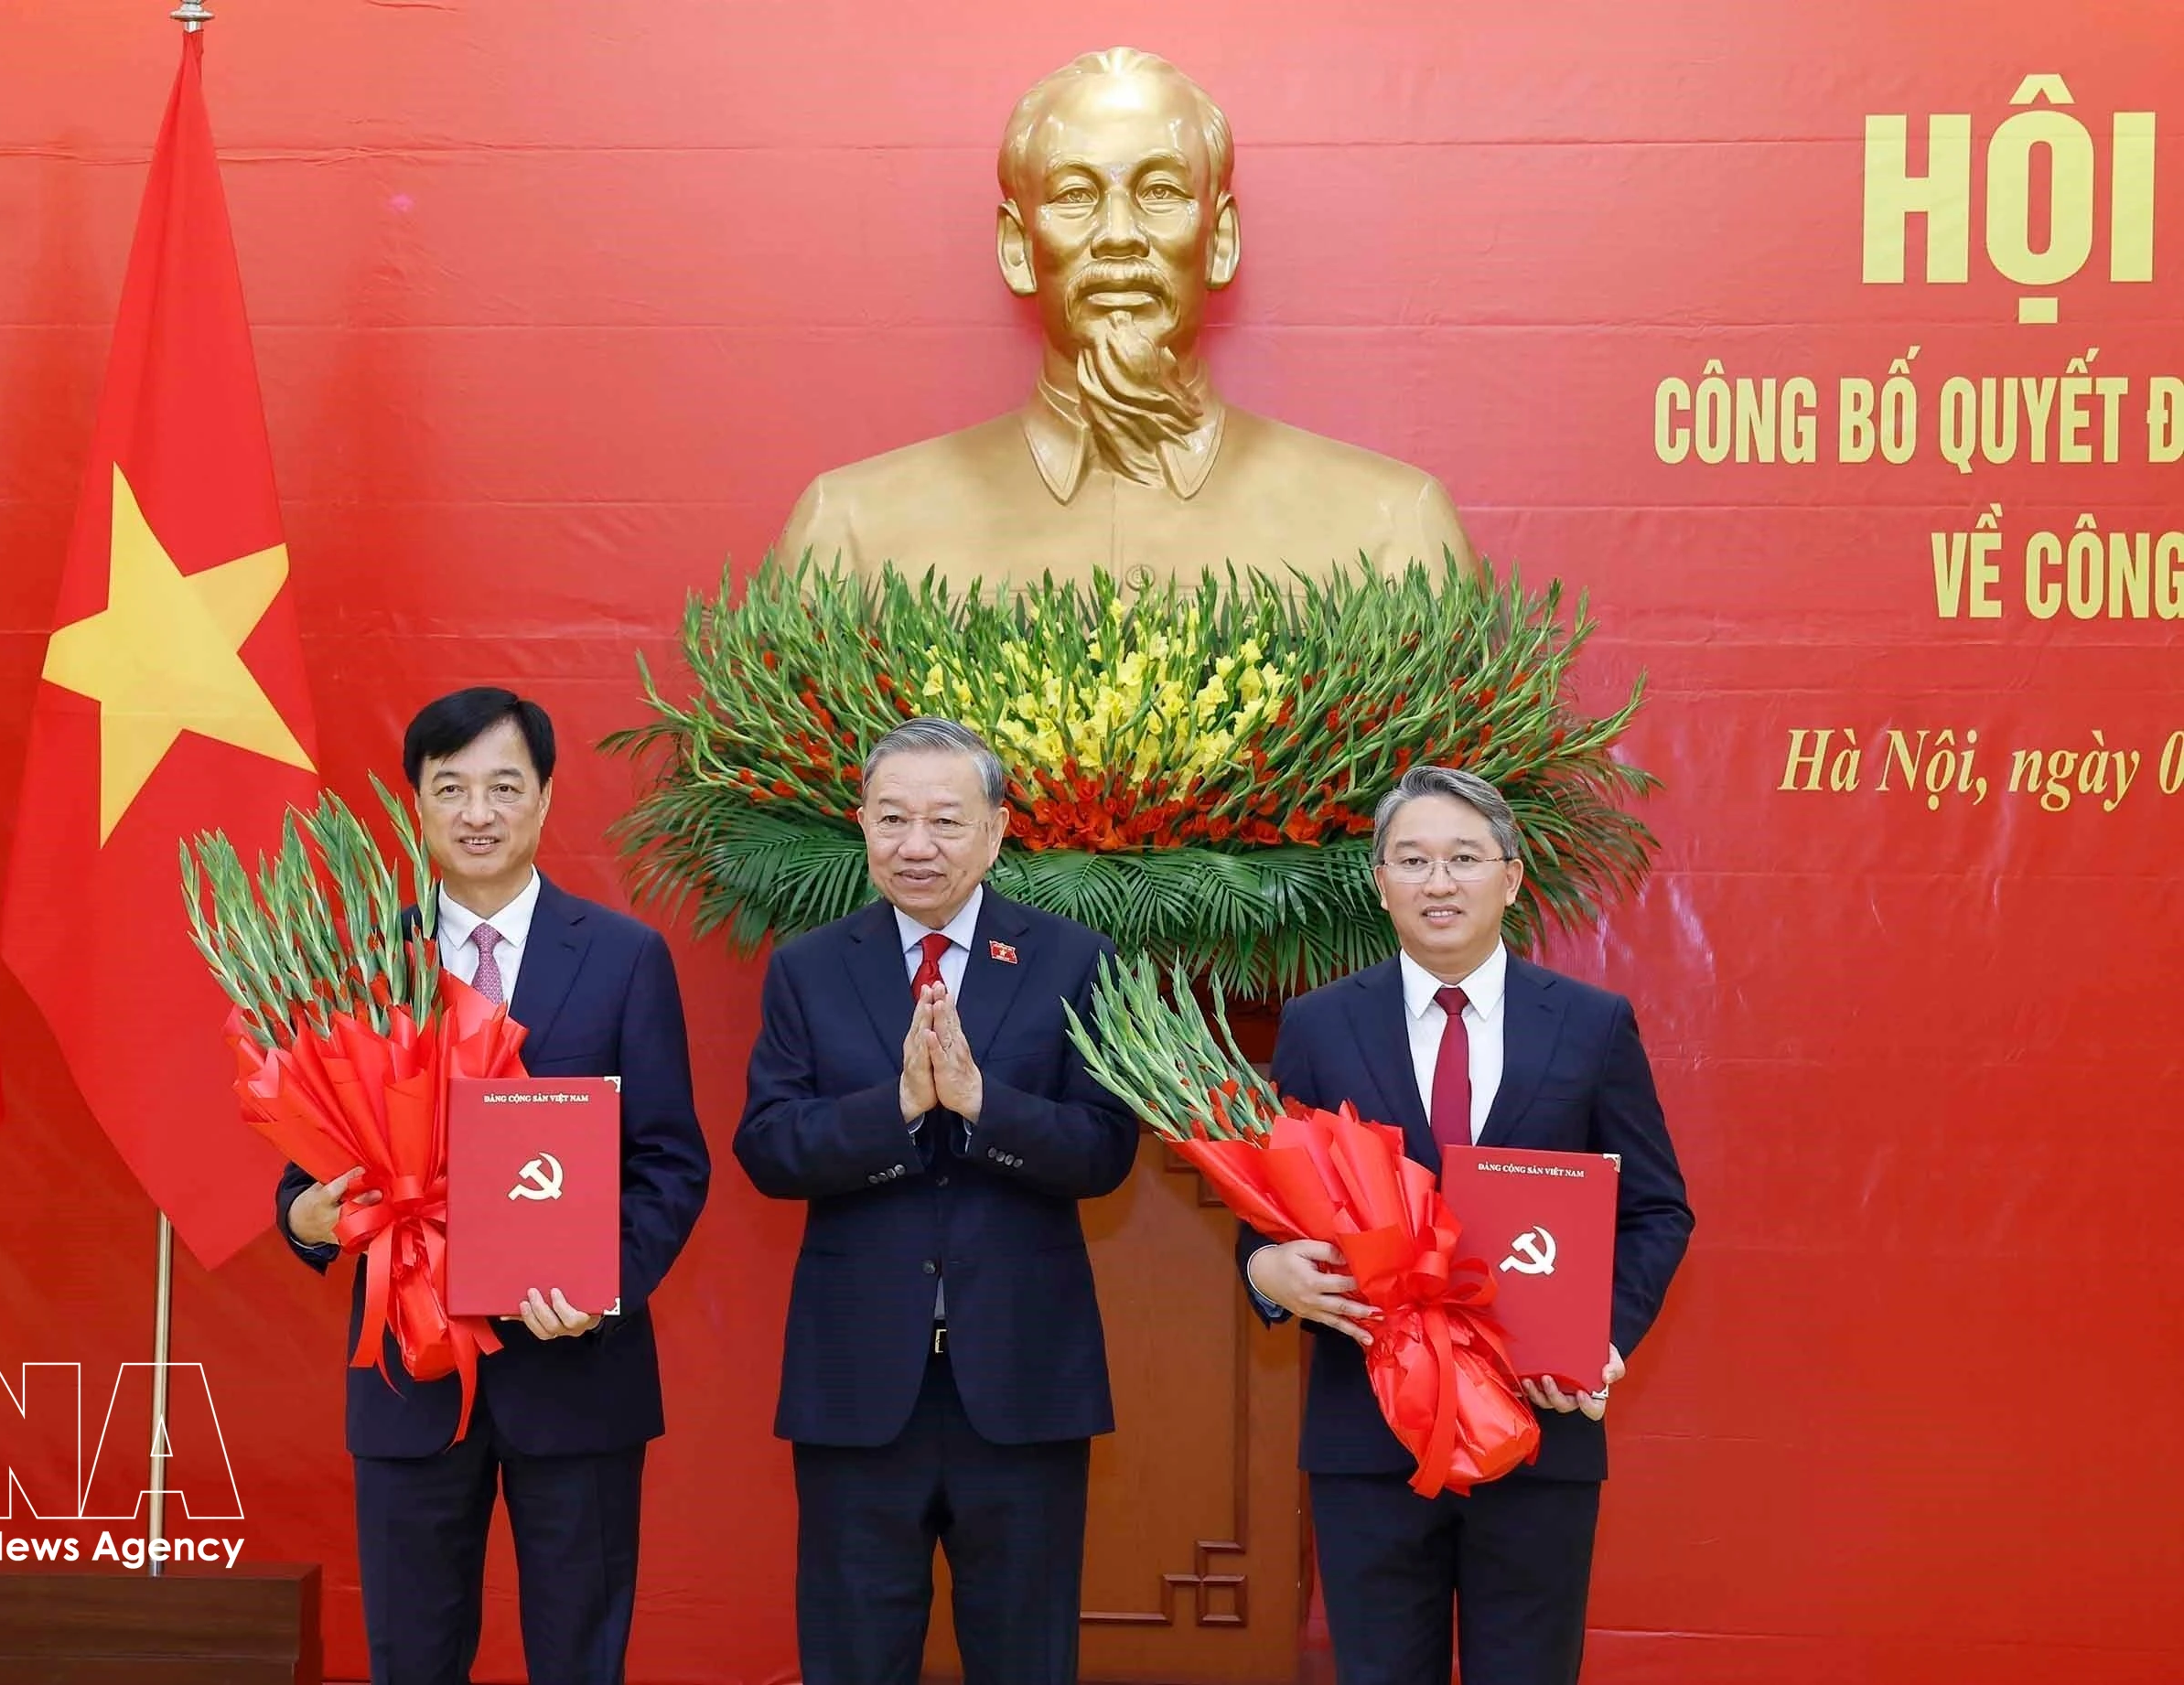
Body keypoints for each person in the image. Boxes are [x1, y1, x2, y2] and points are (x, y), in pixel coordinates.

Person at [276, 686, 712, 1685]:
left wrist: (601, 1285)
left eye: (504, 787)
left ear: (546, 798)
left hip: (577, 1375)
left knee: (579, 1658)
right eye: (451, 788)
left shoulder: (624, 958)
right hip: (410, 1379)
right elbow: (308, 1162)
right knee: (413, 1657)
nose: (478, 813)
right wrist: (307, 1217)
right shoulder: (362, 966)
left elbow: (670, 1162)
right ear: (417, 804)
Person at [1242, 766, 1693, 1685]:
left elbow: (1656, 1208)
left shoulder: (1590, 1026)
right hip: (1370, 1434)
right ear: (1380, 883)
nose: (1437, 882)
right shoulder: (1320, 1025)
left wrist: (1600, 1340)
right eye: (1412, 861)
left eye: (1463, 858)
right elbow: (1270, 1208)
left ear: (1510, 877)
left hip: (1539, 1425)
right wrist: (1267, 1273)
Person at [733, 717, 1138, 1685]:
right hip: (858, 1383)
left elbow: (1104, 1149)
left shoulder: (1072, 959)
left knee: (1025, 1655)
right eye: (893, 819)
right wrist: (903, 1106)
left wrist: (983, 1105)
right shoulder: (808, 968)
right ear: (862, 826)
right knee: (854, 1655)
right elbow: (769, 1148)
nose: (917, 845)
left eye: (946, 821)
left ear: (996, 832)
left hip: (1023, 1380)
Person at [777, 46, 1477, 589]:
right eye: (1075, 194)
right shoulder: (852, 535)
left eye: (1161, 191)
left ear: (1220, 240)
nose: (1119, 234)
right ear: (1018, 248)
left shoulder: (1390, 534)